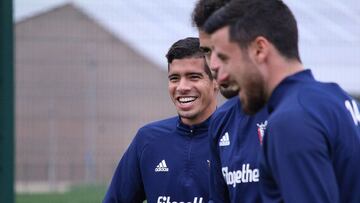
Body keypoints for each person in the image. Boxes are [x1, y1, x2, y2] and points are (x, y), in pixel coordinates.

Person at [204, 0, 360, 202]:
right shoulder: (339, 100)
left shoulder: (292, 119)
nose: (221, 76)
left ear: (259, 49)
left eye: (225, 59)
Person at [103, 37, 218, 203]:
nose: (182, 87)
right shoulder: (148, 139)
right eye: (174, 78)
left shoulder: (233, 137)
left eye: (193, 77)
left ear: (216, 82)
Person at [192, 0, 268, 202]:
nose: (213, 64)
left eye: (221, 51)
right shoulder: (221, 120)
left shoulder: (298, 109)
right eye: (207, 52)